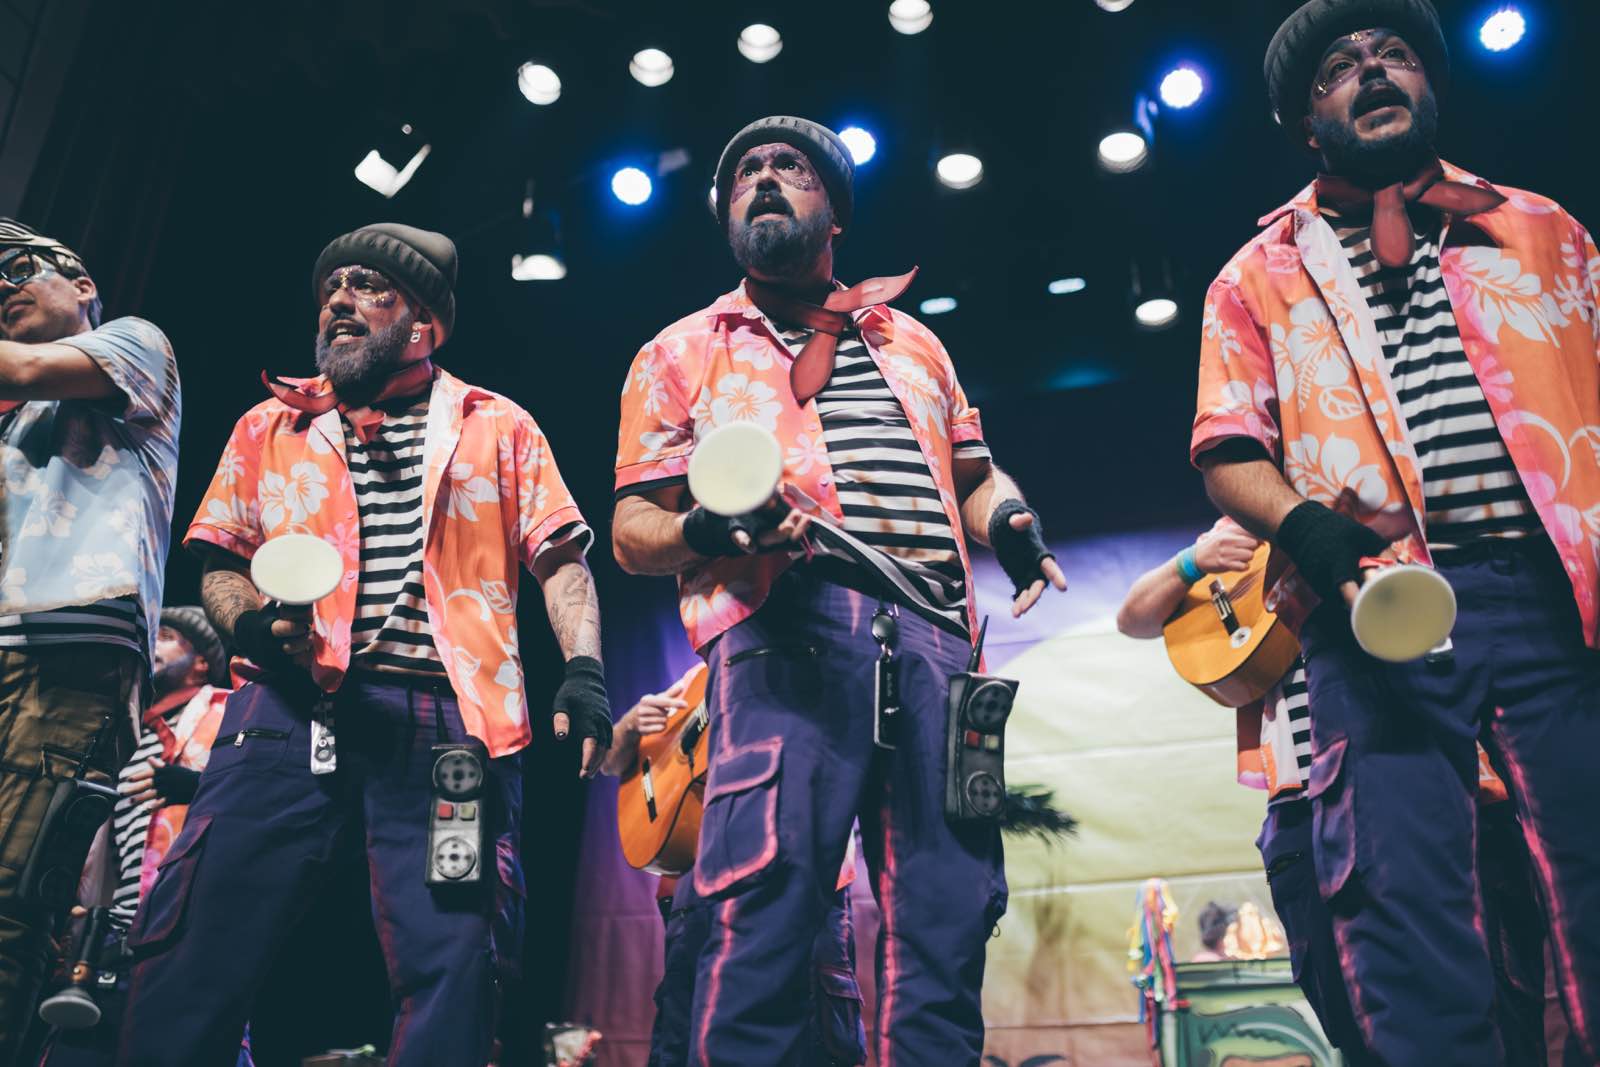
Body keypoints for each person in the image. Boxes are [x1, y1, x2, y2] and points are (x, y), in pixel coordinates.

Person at [1192, 1, 1600, 1060]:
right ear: (1304, 118)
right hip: (1373, 610)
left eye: (1394, 55)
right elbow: (1228, 444)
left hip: (1554, 601)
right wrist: (1309, 535)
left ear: (1431, 85)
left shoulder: (1544, 229)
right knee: (1401, 903)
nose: (1374, 72)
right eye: (1339, 68)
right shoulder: (1253, 276)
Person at [612, 115, 1066, 1064]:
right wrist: (704, 528)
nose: (765, 179)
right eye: (745, 172)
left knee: (946, 925)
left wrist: (1013, 525)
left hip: (941, 643)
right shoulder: (679, 352)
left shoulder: (914, 342)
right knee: (760, 922)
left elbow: (977, 475)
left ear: (836, 214)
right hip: (789, 630)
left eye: (791, 167)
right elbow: (629, 534)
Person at [119, 223, 612, 1066]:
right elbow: (219, 562)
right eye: (330, 288)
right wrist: (249, 628)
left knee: (456, 953)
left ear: (423, 321)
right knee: (196, 936)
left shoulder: (499, 425)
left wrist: (586, 671)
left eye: (366, 286)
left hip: (448, 734)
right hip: (285, 711)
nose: (338, 300)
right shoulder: (271, 425)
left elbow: (561, 561)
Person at [1119, 518, 1548, 1063]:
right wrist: (1193, 560)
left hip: (1452, 786)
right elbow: (1133, 616)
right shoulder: (1256, 524)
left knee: (1497, 1013)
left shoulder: (1395, 503)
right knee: (1359, 1023)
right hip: (1306, 809)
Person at [0, 219, 179, 1063]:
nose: (5, 288)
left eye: (20, 270)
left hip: (74, 650)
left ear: (82, 284)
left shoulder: (132, 343)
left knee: (14, 893)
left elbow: (32, 366)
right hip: (10, 645)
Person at [601, 666, 866, 1067]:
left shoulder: (823, 640)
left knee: (813, 1044)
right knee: (683, 1044)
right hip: (695, 894)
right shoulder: (702, 675)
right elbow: (609, 761)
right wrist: (630, 727)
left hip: (804, 878)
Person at [38, 606, 249, 1066]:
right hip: (113, 942)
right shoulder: (126, 733)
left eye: (168, 635)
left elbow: (264, 801)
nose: (153, 643)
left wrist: (194, 787)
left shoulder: (230, 711)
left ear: (201, 660)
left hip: (190, 933)